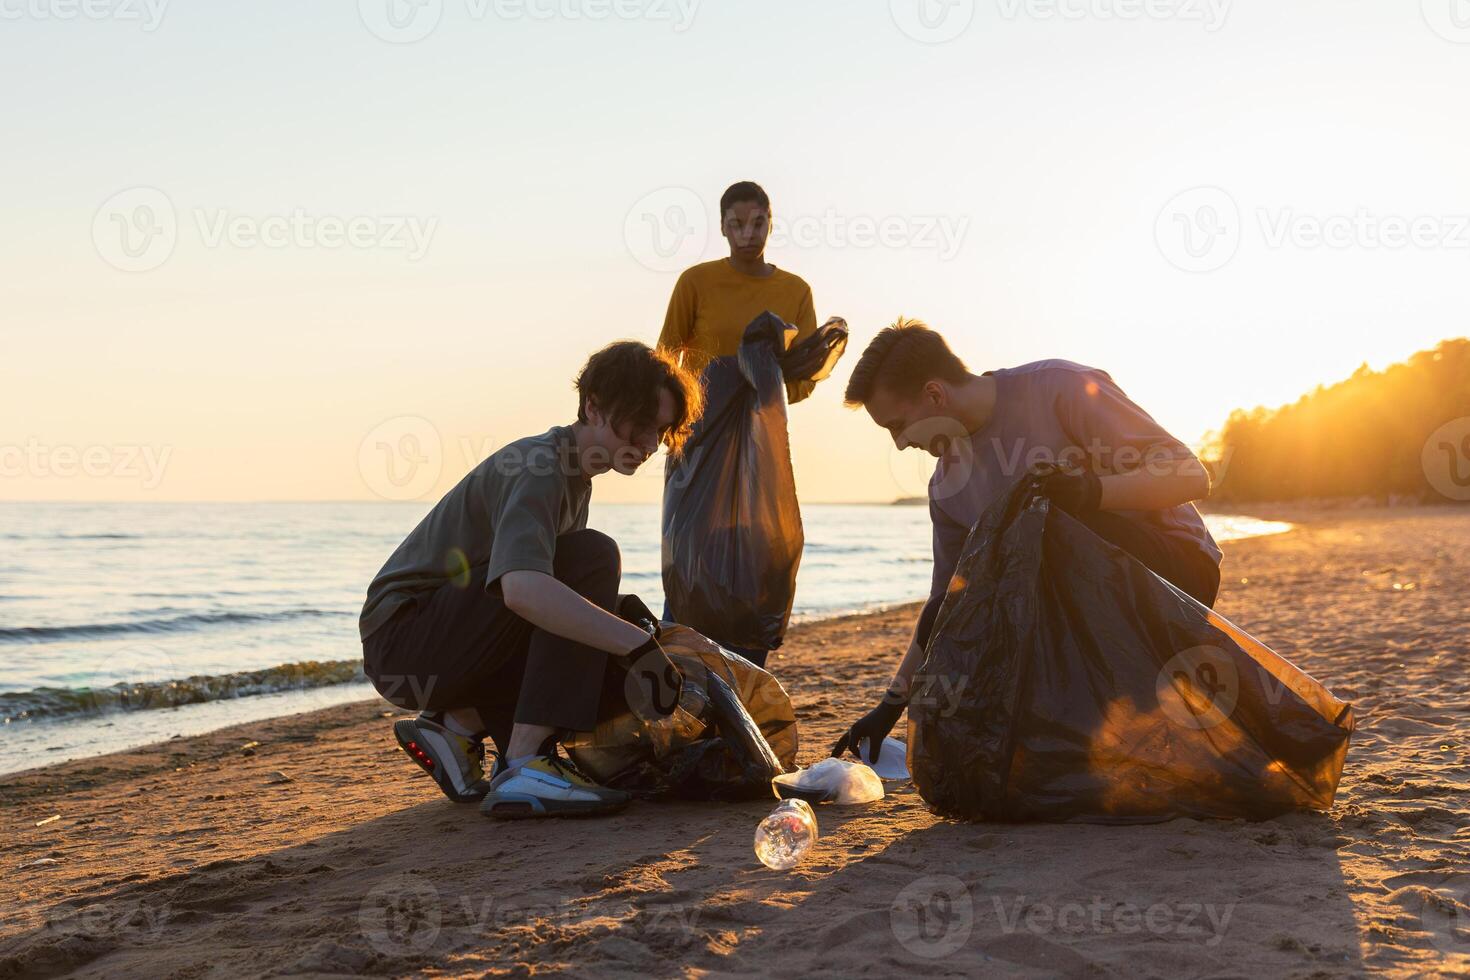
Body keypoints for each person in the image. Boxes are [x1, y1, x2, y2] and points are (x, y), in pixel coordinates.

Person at [832, 318, 1222, 762]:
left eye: (897, 426)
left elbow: (1192, 475)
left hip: (1173, 572)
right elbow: (948, 602)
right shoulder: (946, 489)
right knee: (961, 610)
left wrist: (1090, 492)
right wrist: (889, 706)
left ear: (935, 395)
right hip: (1068, 598)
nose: (900, 445)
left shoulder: (1061, 388)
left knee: (1047, 526)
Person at [360, 341, 703, 818]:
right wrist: (636, 645)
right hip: (403, 639)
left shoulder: (573, 477)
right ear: (593, 406)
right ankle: (524, 761)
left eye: (660, 430)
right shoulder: (540, 466)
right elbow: (522, 589)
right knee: (594, 560)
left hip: (441, 642)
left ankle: (456, 728)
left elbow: (545, 615)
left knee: (605, 646)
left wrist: (628, 633)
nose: (649, 444)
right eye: (642, 423)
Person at [656, 181, 821, 667]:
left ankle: (745, 681)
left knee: (758, 557)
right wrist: (708, 394)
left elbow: (805, 379)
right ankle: (680, 678)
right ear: (722, 226)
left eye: (758, 222)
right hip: (697, 442)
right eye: (736, 224)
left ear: (771, 222)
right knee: (690, 557)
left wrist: (757, 385)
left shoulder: (795, 291)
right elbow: (666, 358)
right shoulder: (696, 281)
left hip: (759, 444)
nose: (748, 233)